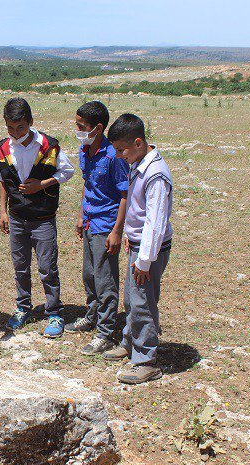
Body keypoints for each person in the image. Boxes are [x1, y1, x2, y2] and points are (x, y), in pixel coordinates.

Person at [103, 113, 174, 384]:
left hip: (149, 250)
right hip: (138, 247)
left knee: (143, 302)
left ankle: (146, 359)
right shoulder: (138, 162)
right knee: (132, 299)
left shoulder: (155, 175)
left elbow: (155, 224)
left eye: (121, 149)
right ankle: (130, 342)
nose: (119, 155)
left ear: (138, 142)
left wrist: (144, 261)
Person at [0, 97, 74, 338]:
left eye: (20, 127)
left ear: (31, 122)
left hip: (43, 218)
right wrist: (2, 211)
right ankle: (23, 308)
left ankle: (54, 312)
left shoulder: (49, 146)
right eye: (10, 127)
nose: (15, 133)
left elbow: (67, 171)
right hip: (17, 217)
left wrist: (41, 184)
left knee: (46, 267)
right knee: (20, 266)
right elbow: (2, 179)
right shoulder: (3, 148)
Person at [64, 101, 129, 357]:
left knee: (105, 281)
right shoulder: (85, 150)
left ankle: (106, 331)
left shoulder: (114, 156)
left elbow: (125, 194)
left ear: (98, 128)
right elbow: (88, 185)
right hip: (90, 221)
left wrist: (116, 231)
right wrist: (81, 215)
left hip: (106, 225)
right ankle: (91, 316)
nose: (77, 130)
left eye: (82, 127)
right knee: (89, 275)